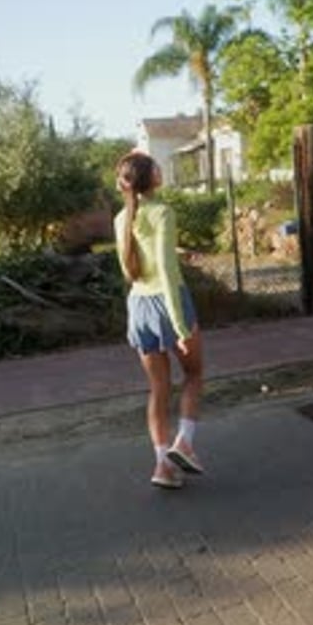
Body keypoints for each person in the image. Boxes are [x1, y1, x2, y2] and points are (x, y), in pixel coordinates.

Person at [114, 151, 204, 489]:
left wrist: (176, 251)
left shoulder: (122, 218)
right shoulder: (163, 211)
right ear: (150, 177)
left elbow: (132, 265)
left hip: (138, 306)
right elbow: (165, 272)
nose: (159, 167)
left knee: (158, 388)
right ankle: (185, 444)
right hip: (168, 303)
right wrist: (180, 327)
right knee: (194, 374)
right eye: (155, 165)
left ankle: (162, 467)